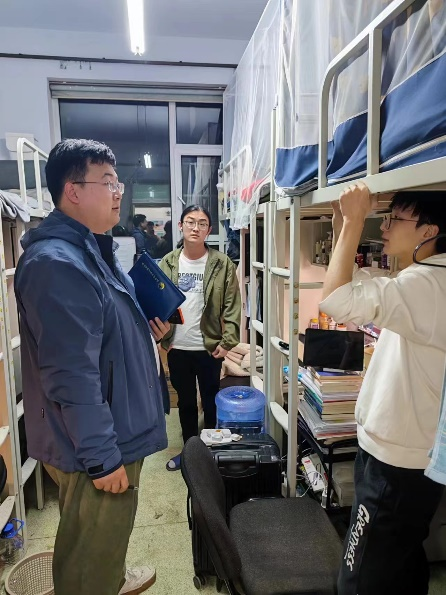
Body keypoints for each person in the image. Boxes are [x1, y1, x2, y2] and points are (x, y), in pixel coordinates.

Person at [14, 138, 170, 595]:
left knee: (104, 542)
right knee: (89, 564)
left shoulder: (94, 251)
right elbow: (71, 376)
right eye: (107, 182)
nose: (118, 191)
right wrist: (102, 459)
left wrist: (145, 329)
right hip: (96, 445)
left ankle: (112, 577)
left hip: (113, 429)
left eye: (118, 181)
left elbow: (101, 335)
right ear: (73, 191)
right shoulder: (57, 265)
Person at [320, 183, 446, 595]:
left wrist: (355, 221)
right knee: (401, 560)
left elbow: (336, 299)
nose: (386, 227)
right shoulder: (425, 277)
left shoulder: (428, 283)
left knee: (358, 578)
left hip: (396, 463)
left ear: (429, 231)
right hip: (405, 455)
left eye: (396, 219)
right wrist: (343, 226)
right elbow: (353, 284)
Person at [159, 205, 241, 470]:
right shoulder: (168, 262)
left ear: (209, 230)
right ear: (180, 226)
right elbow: (158, 301)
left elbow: (232, 305)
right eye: (190, 222)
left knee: (210, 400)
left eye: (202, 223)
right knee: (185, 403)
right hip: (177, 346)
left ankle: (211, 453)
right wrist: (161, 338)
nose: (196, 228)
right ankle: (190, 453)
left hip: (209, 347)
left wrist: (227, 343)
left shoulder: (222, 263)